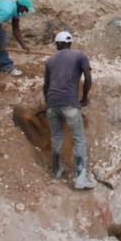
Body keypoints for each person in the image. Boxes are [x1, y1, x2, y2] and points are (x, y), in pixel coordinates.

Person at [43, 31, 96, 190]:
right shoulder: (79, 55)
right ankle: (80, 179)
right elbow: (87, 77)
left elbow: (45, 86)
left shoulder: (50, 60)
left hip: (52, 105)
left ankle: (56, 170)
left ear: (57, 44)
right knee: (78, 139)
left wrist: (49, 104)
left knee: (57, 137)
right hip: (69, 104)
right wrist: (85, 97)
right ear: (70, 43)